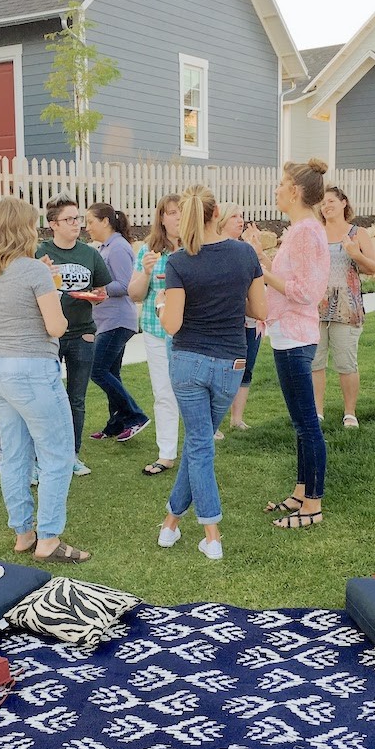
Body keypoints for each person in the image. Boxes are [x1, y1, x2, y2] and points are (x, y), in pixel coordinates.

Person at [0, 197, 90, 562]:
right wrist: (52, 290)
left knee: (14, 454)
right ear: (22, 228)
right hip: (32, 369)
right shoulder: (35, 272)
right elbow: (56, 326)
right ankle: (50, 539)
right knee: (57, 454)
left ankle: (23, 533)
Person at [157, 185, 267, 559]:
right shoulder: (245, 254)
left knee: (199, 444)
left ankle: (207, 533)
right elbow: (260, 310)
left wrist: (160, 307)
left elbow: (171, 324)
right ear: (216, 211)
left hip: (188, 362)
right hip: (231, 365)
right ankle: (178, 526)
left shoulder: (179, 262)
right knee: (200, 444)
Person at [244, 159, 330, 527]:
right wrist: (260, 256)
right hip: (286, 333)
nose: (276, 189)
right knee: (300, 422)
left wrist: (261, 271)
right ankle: (300, 492)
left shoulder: (306, 232)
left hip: (296, 335)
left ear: (295, 191)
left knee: (307, 422)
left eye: (281, 184)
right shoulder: (300, 230)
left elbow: (308, 292)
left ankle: (313, 505)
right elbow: (287, 276)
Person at [36, 193, 111, 475]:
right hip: (49, 336)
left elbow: (102, 291)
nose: (76, 224)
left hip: (82, 334)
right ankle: (43, 455)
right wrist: (40, 271)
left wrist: (96, 297)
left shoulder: (90, 254)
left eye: (78, 218)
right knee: (45, 398)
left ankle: (72, 455)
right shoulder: (39, 253)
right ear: (53, 224)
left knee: (76, 399)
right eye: (69, 219)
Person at [312, 186, 375, 427]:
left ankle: (349, 413)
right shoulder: (316, 233)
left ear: (343, 203)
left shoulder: (357, 233)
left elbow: (373, 268)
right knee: (315, 362)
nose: (326, 206)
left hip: (347, 308)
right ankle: (317, 412)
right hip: (316, 308)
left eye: (330, 201)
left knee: (346, 362)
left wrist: (355, 253)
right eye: (322, 203)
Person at [86, 203, 149, 442]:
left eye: (90, 221)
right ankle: (115, 424)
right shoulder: (105, 247)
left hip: (118, 320)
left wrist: (96, 289)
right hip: (107, 320)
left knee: (98, 370)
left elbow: (125, 285)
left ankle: (135, 416)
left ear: (105, 221)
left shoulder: (119, 247)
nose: (87, 227)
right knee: (111, 372)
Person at [128, 194, 181, 475]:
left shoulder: (198, 248)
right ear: (161, 217)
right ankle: (166, 453)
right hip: (156, 331)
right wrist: (146, 273)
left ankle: (202, 443)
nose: (176, 217)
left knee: (193, 392)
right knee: (163, 392)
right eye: (170, 212)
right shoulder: (149, 249)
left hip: (189, 333)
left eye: (181, 212)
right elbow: (135, 294)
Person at [218, 202, 261, 432]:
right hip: (228, 319)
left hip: (252, 320)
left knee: (246, 367)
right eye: (234, 216)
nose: (240, 220)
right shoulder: (215, 250)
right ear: (221, 220)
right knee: (222, 370)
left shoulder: (247, 249)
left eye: (241, 216)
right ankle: (213, 423)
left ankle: (237, 418)